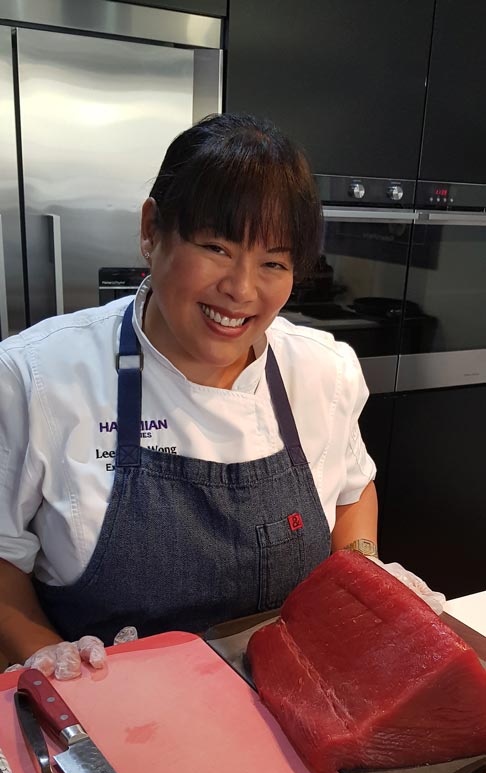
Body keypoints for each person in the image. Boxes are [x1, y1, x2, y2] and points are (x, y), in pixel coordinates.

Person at [0, 112, 379, 680]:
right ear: (153, 230)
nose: (242, 290)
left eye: (273, 262)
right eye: (217, 248)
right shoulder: (37, 377)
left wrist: (366, 582)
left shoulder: (323, 371)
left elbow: (352, 491)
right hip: (107, 716)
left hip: (288, 708)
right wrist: (41, 654)